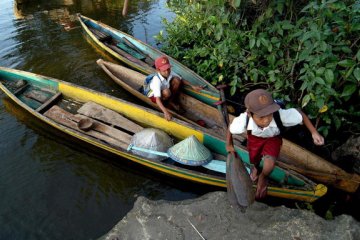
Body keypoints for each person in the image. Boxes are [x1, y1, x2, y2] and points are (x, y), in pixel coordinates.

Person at [229, 89, 324, 199]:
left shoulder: (280, 115)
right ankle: (255, 167)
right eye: (261, 117)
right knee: (254, 158)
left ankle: (263, 177)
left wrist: (314, 132)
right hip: (255, 139)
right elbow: (231, 128)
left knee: (270, 163)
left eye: (269, 115)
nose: (266, 120)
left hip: (273, 139)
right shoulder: (244, 120)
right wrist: (229, 144)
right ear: (250, 114)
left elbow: (300, 114)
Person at [145, 56, 203, 121]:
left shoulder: (169, 72)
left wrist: (192, 86)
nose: (167, 72)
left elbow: (181, 79)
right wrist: (165, 112)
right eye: (164, 70)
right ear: (158, 70)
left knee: (177, 80)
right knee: (167, 92)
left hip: (165, 91)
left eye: (168, 69)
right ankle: (167, 104)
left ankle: (170, 101)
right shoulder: (156, 80)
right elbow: (157, 99)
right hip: (154, 97)